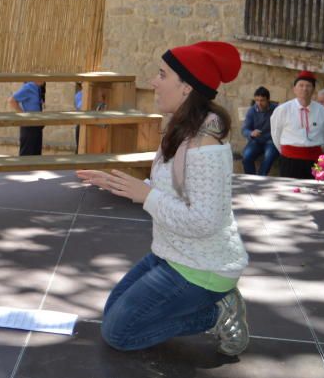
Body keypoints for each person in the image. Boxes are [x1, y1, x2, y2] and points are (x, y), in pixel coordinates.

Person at [77, 41, 249, 356]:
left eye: (162, 74)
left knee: (120, 333)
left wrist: (146, 196)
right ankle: (208, 304)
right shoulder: (182, 130)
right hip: (172, 252)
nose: (154, 82)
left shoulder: (205, 146)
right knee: (114, 311)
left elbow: (204, 221)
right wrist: (117, 183)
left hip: (202, 266)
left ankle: (216, 312)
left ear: (186, 87)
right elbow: (167, 188)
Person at [271, 71, 324, 179]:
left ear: (313, 90)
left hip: (314, 160)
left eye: (308, 86)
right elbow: (276, 134)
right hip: (289, 160)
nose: (304, 89)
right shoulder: (283, 109)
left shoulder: (321, 110)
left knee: (313, 193)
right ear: (294, 89)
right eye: (301, 85)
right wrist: (287, 151)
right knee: (289, 192)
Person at [241, 86, 279, 176]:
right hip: (256, 140)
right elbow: (244, 129)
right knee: (246, 157)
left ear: (268, 100)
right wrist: (251, 133)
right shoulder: (252, 111)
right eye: (257, 100)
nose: (259, 103)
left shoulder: (276, 110)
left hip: (271, 141)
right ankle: (251, 179)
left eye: (262, 100)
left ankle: (261, 178)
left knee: (269, 156)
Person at [10, 81, 45, 156]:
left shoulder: (38, 88)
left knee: (36, 155)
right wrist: (24, 116)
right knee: (26, 154)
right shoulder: (29, 87)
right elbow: (12, 100)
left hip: (37, 126)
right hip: (29, 126)